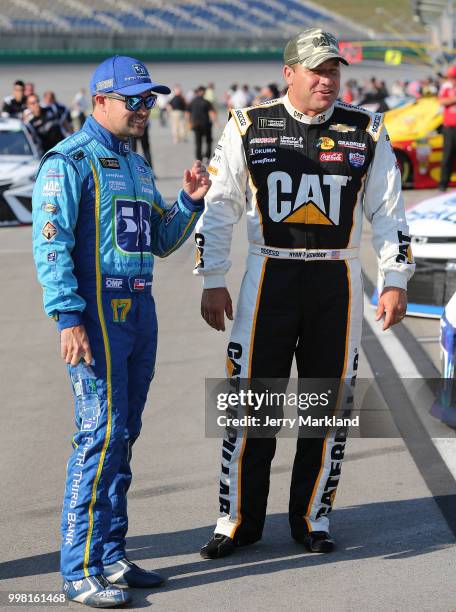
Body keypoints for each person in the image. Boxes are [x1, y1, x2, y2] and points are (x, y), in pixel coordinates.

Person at [194, 28, 415, 560]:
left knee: (327, 410)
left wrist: (395, 278)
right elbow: (220, 205)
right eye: (316, 70)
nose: (327, 79)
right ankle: (237, 519)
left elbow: (388, 211)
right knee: (251, 408)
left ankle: (313, 517)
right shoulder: (249, 123)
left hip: (335, 283)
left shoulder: (367, 129)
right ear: (289, 72)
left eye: (334, 69)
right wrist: (212, 278)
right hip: (268, 279)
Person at [32, 55, 209, 607]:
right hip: (97, 314)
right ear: (100, 101)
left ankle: (111, 554)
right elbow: (51, 243)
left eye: (149, 100)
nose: (144, 109)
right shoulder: (69, 161)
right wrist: (67, 316)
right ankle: (78, 570)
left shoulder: (134, 165)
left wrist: (189, 202)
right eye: (133, 100)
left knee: (123, 436)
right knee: (99, 436)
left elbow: (160, 239)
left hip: (141, 309)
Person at [438, 65, 456, 191]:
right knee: (447, 155)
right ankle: (443, 184)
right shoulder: (446, 88)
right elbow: (441, 101)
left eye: (454, 77)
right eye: (451, 77)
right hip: (449, 129)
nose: (452, 80)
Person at [187, 86, 217, 162]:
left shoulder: (192, 102)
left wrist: (189, 123)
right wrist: (215, 122)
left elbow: (187, 113)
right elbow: (211, 113)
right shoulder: (206, 102)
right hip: (206, 125)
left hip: (196, 124)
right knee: (208, 141)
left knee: (198, 142)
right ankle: (207, 157)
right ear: (204, 92)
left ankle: (198, 158)